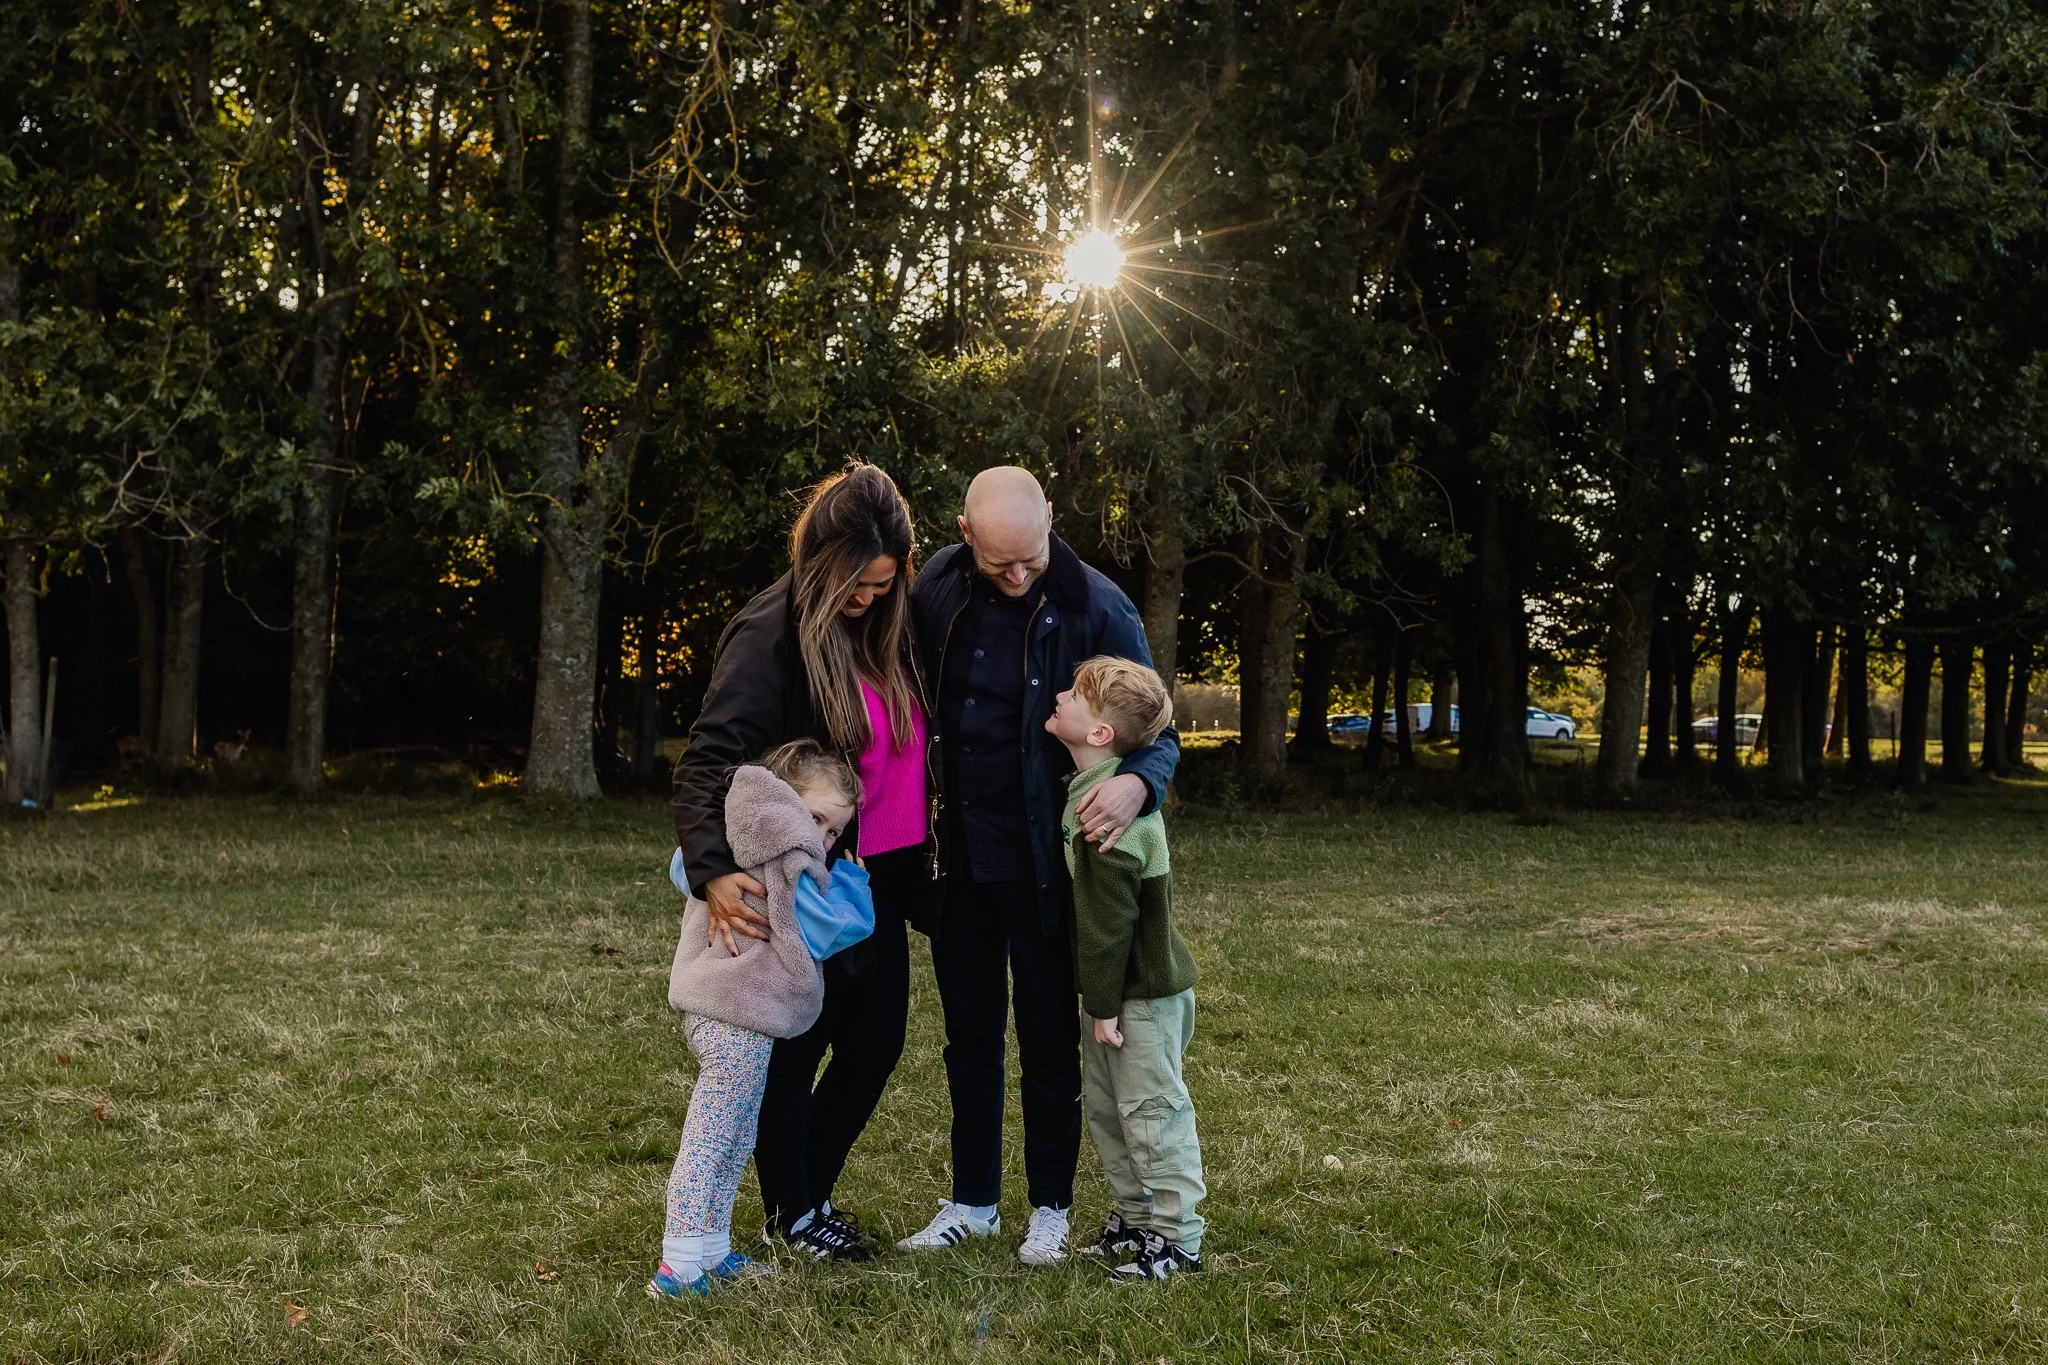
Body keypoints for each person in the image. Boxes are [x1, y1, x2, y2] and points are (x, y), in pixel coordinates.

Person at [899, 466, 1180, 1267]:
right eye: (1000, 563)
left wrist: (1137, 783)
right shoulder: (936, 590)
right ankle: (973, 1202)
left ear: (1050, 516)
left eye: (1031, 556)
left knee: (1049, 1039)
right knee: (970, 1035)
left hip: (1049, 865)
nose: (1020, 574)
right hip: (957, 859)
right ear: (965, 536)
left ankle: (1050, 1208)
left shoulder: (1100, 606)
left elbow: (1159, 731)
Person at [669, 464, 933, 1263]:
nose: (869, 598)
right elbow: (707, 759)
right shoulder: (769, 632)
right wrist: (714, 869)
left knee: (876, 1042)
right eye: (857, 583)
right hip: (801, 880)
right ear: (822, 560)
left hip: (869, 877)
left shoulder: (883, 625)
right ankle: (795, 1209)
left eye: (884, 584)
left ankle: (801, 1197)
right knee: (793, 1047)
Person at [650, 742, 875, 1298]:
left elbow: (681, 867)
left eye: (833, 831)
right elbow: (830, 929)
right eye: (815, 818)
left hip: (728, 1010)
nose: (823, 838)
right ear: (780, 801)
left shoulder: (729, 842)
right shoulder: (788, 860)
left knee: (736, 1132)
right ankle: (678, 1264)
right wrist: (854, 884)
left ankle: (712, 1247)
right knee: (711, 1137)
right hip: (734, 1012)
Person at [1048, 658, 1205, 1281]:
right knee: (1109, 1110)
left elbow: (1109, 924)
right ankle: (1135, 1218)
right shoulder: (1091, 787)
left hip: (1138, 994)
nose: (1059, 695)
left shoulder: (1109, 810)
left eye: (1073, 694)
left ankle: (1177, 1238)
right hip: (1113, 995)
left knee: (1151, 1111)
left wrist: (1104, 1007)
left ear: (1100, 733)